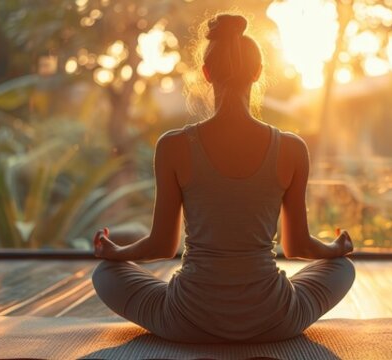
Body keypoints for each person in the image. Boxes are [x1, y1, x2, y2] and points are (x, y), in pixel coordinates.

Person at [91, 13, 355, 344]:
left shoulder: (173, 145)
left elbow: (162, 245)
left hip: (187, 319)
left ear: (206, 73)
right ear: (258, 73)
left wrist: (116, 253)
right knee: (344, 268)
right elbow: (297, 245)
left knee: (104, 273)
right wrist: (335, 248)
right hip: (273, 319)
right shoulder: (291, 148)